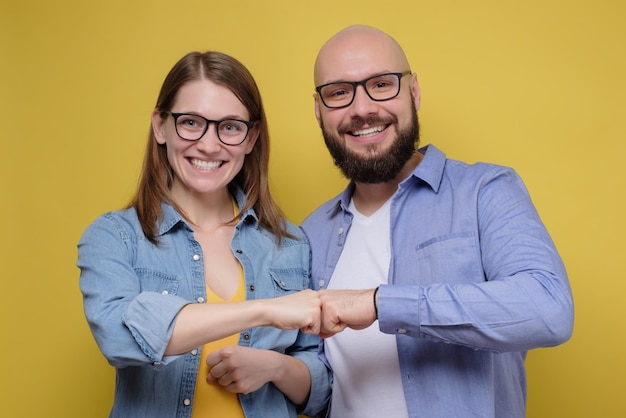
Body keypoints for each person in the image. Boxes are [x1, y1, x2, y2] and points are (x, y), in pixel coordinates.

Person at [301, 25, 574, 418]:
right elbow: (322, 387)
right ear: (318, 110)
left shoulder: (485, 191)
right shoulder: (309, 234)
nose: (361, 109)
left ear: (414, 91)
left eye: (381, 84)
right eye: (339, 92)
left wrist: (380, 303)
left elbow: (549, 310)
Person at [78, 51, 331, 418]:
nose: (209, 145)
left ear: (251, 137)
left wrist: (274, 368)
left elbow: (320, 387)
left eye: (229, 126)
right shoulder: (116, 237)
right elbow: (118, 338)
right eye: (192, 122)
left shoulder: (289, 243)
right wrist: (264, 310)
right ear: (160, 126)